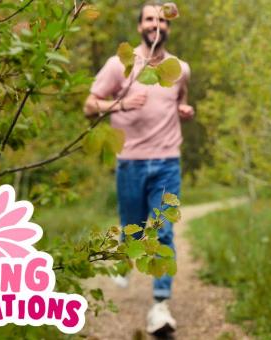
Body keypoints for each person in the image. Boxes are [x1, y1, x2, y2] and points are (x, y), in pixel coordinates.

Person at [82, 1, 193, 336]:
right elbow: (90, 106)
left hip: (167, 162)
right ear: (139, 26)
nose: (155, 24)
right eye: (148, 19)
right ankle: (125, 260)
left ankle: (160, 305)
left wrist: (184, 109)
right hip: (129, 161)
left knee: (162, 231)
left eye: (161, 20)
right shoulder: (119, 64)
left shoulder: (179, 68)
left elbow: (180, 99)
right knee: (131, 227)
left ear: (168, 27)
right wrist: (120, 103)